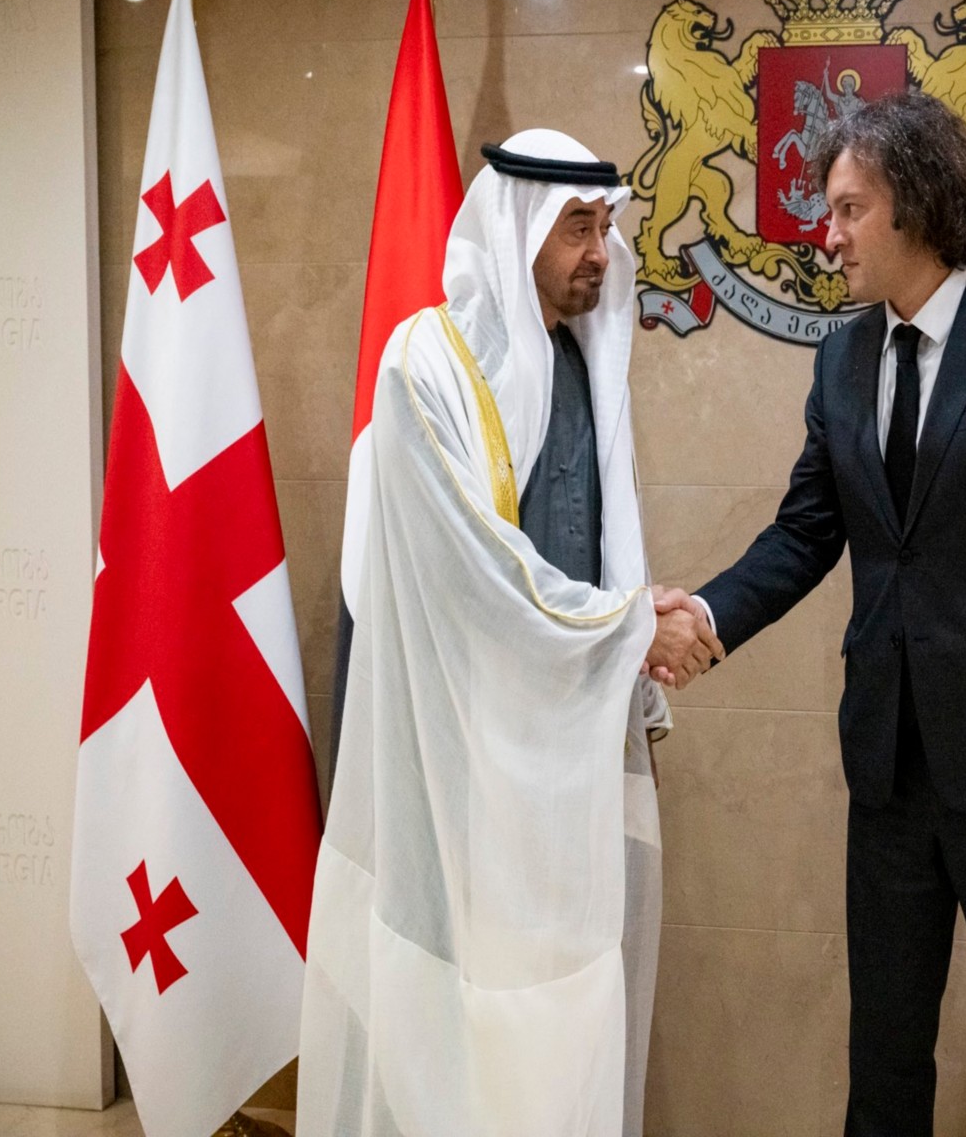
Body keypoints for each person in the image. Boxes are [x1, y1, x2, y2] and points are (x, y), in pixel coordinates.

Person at [657, 92, 966, 1136]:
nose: (823, 238)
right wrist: (703, 615)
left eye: (845, 211)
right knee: (881, 1055)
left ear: (915, 208)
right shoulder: (842, 357)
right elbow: (803, 533)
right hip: (885, 771)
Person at [297, 129, 719, 1137]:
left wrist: (626, 632)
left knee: (559, 1010)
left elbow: (583, 554)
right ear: (515, 227)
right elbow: (473, 572)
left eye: (604, 225)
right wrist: (630, 627)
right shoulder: (423, 369)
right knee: (452, 1024)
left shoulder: (575, 364)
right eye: (577, 225)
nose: (598, 251)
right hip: (457, 759)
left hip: (558, 757)